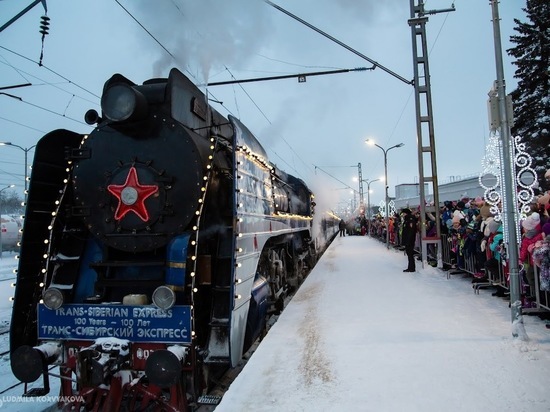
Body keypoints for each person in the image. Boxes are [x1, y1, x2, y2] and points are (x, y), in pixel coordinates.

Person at [401, 208, 417, 272]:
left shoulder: (410, 220)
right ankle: (410, 267)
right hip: (408, 239)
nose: (403, 215)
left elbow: (411, 231)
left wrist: (408, 240)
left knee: (410, 254)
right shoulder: (407, 220)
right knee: (409, 253)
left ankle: (412, 268)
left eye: (403, 213)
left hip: (410, 240)